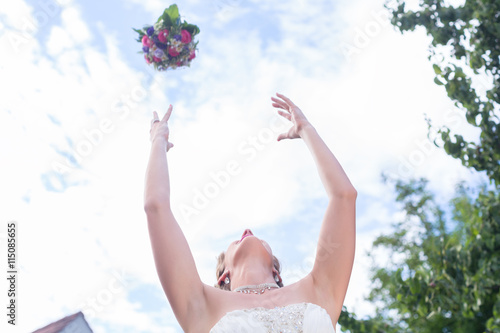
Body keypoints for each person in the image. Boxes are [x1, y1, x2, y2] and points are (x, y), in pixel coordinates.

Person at [144, 93, 357, 332]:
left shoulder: (319, 288)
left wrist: (306, 129)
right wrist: (157, 142)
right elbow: (155, 207)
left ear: (276, 271)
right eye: (234, 242)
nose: (247, 230)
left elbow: (344, 196)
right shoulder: (201, 305)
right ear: (224, 276)